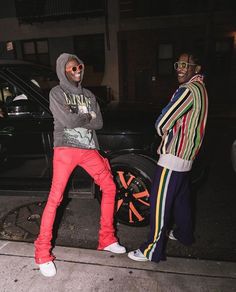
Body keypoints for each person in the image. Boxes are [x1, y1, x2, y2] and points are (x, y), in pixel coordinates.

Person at [34, 53, 126, 277]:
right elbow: (68, 121)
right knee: (55, 198)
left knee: (110, 187)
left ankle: (107, 238)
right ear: (62, 71)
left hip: (88, 149)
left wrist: (81, 115)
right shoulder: (57, 92)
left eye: (79, 67)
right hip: (65, 148)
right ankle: (42, 253)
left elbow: (100, 123)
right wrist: (87, 115)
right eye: (71, 68)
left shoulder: (89, 94)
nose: (77, 70)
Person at [128, 51, 208, 263]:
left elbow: (163, 121)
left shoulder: (187, 90)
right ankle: (184, 234)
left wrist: (161, 129)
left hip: (173, 156)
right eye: (178, 64)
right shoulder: (201, 89)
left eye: (185, 64)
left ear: (196, 69)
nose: (180, 68)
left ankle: (152, 250)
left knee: (159, 204)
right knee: (182, 199)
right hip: (187, 156)